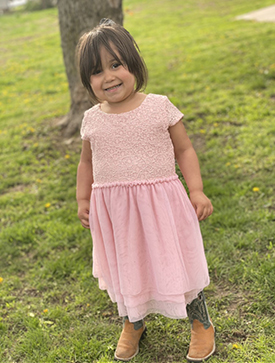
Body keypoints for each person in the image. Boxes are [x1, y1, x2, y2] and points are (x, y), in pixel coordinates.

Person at [76, 18, 215, 362]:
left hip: (161, 206)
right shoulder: (92, 118)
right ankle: (132, 321)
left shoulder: (158, 106)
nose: (108, 76)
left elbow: (184, 150)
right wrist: (82, 199)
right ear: (87, 81)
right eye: (97, 71)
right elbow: (87, 164)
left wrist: (195, 190)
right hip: (117, 213)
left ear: (133, 65)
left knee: (176, 263)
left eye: (116, 64)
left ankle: (201, 323)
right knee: (128, 265)